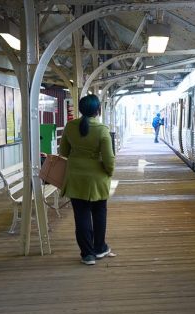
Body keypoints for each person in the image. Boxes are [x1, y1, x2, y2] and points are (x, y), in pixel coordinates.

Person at [59, 95, 116, 265]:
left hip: (76, 178)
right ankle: (100, 248)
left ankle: (87, 254)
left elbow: (63, 152)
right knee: (99, 213)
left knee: (81, 215)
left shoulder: (70, 126)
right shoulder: (102, 129)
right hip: (97, 179)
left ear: (81, 110)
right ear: (98, 110)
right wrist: (109, 172)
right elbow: (108, 158)